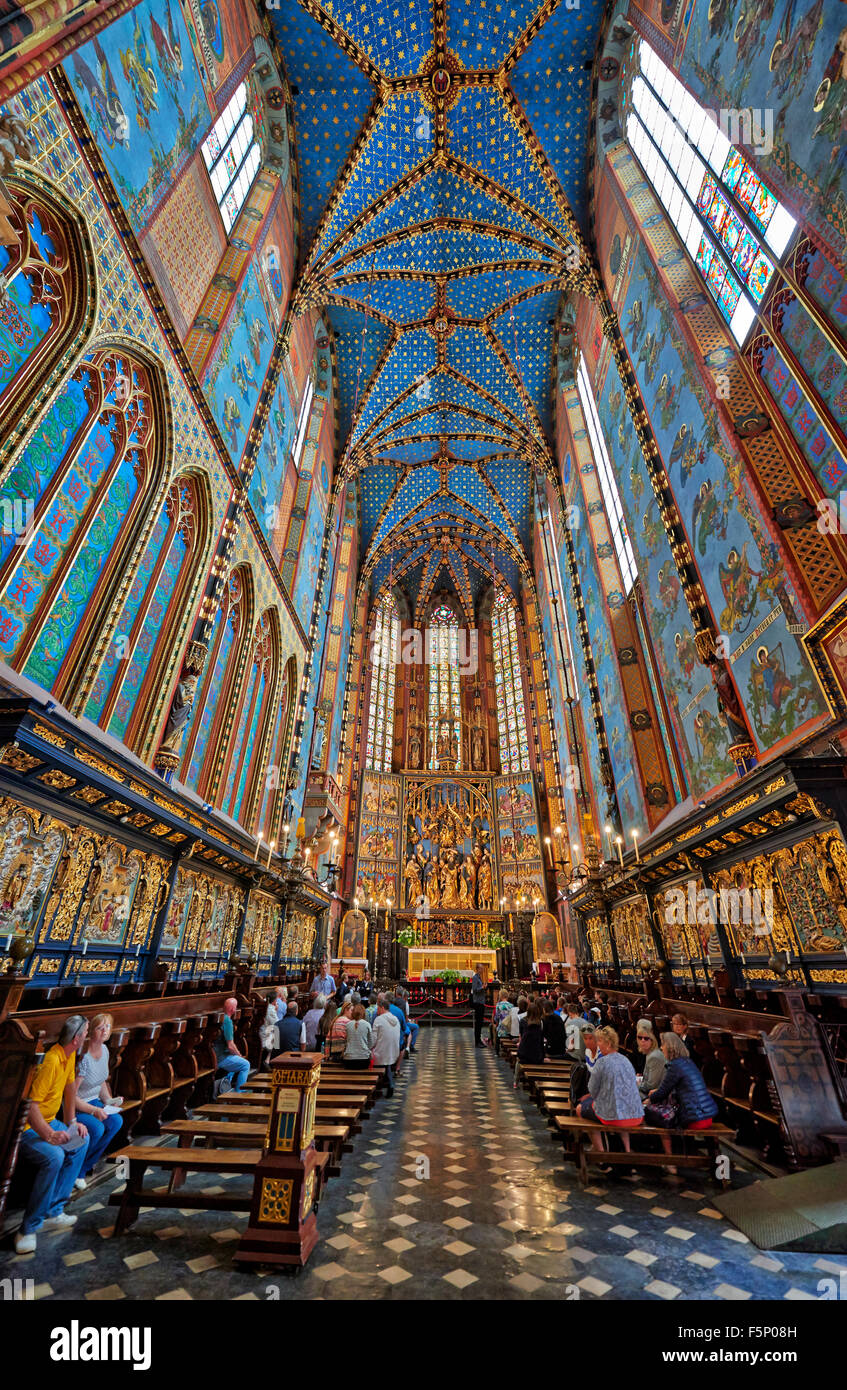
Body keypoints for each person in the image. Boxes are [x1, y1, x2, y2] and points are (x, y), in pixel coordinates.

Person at [15, 1014, 91, 1253]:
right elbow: (31, 1107)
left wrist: (72, 1123)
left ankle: (54, 1210)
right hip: (27, 1128)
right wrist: (49, 1135)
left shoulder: (69, 1057)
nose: (87, 1037)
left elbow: (70, 1092)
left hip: (49, 1121)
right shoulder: (51, 1061)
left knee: (80, 1141)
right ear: (77, 1039)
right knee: (54, 1157)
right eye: (86, 1033)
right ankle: (27, 1229)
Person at [574, 1026, 644, 1158]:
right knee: (620, 1106)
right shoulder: (625, 1060)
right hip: (635, 1113)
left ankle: (600, 1151)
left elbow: (592, 1090)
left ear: (608, 1043)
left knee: (580, 1108)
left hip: (615, 1117)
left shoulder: (602, 1062)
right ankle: (627, 1150)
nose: (597, 1043)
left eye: (599, 1041)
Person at [644, 1033, 718, 1153]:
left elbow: (662, 1092)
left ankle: (669, 1157)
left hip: (695, 1118)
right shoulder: (687, 1062)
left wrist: (650, 1097)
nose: (661, 1048)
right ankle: (686, 1151)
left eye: (662, 1045)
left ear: (669, 1047)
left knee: (653, 1115)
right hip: (707, 1115)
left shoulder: (675, 1066)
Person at [74, 1013, 123, 1184]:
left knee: (116, 1121)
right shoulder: (84, 1057)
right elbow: (71, 1097)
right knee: (96, 1128)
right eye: (99, 1027)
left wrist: (109, 1101)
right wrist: (95, 1110)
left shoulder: (105, 1050)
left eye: (107, 1027)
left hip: (95, 1101)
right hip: (78, 1106)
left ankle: (87, 1164)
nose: (104, 1031)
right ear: (91, 1031)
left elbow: (101, 1080)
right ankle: (76, 1171)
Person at [214, 997, 250, 1091]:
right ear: (233, 1009)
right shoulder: (227, 1021)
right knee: (245, 1065)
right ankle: (239, 1092)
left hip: (216, 1054)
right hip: (221, 1057)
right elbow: (230, 1046)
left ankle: (227, 1086)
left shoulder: (221, 1017)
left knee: (236, 1061)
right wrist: (239, 1055)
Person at [372, 997, 401, 1095]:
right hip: (394, 1052)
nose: (377, 1010)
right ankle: (389, 1084)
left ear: (382, 1008)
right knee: (386, 1061)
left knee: (370, 1056)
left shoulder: (378, 1020)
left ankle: (375, 1087)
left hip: (381, 1053)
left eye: (378, 1008)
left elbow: (373, 1040)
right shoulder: (395, 1019)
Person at [514, 1000, 545, 1088]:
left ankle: (515, 1081)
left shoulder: (523, 1021)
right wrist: (543, 1056)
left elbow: (521, 1037)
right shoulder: (540, 1022)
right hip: (537, 1056)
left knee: (518, 1061)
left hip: (525, 1056)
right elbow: (541, 1041)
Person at [635, 1019, 666, 1098]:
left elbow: (651, 1086)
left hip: (656, 1097)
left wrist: (635, 1083)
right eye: (640, 1038)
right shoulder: (649, 1053)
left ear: (652, 1040)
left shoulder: (654, 1056)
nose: (642, 1041)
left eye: (646, 1038)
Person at [343, 1004, 373, 1069]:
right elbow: (371, 1044)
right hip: (363, 1059)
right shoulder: (367, 1025)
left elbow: (346, 1041)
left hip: (349, 1059)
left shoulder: (348, 1025)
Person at [470, 963, 486, 1047]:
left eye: (483, 968)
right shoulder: (475, 978)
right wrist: (482, 987)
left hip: (481, 1002)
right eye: (481, 968)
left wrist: (483, 987)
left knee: (480, 1023)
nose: (482, 970)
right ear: (477, 969)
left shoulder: (479, 977)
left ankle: (479, 1040)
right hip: (478, 1002)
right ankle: (477, 1041)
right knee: (478, 1023)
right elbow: (475, 989)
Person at [491, 988, 511, 1053]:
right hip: (509, 1029)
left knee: (497, 1035)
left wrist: (496, 1025)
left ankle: (497, 1052)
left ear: (500, 996)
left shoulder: (498, 1005)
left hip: (501, 1029)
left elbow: (496, 1018)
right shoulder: (511, 1005)